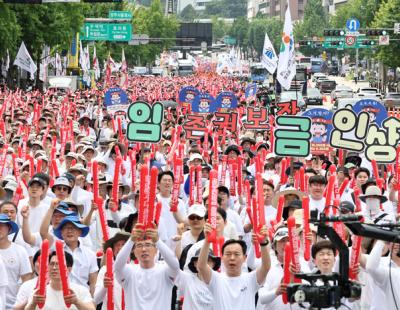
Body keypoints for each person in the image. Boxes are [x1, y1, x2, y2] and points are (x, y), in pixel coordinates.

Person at [196, 222, 271, 310]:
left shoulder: (251, 279)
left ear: (244, 258)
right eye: (228, 254)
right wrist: (207, 241)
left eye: (236, 254)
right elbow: (201, 266)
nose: (232, 258)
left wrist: (263, 243)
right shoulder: (216, 279)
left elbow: (266, 267)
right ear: (222, 257)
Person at [114, 223, 180, 309]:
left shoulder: (165, 270)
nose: (144, 249)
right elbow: (118, 265)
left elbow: (175, 266)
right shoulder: (129, 271)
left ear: (156, 250)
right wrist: (131, 240)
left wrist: (157, 241)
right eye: (139, 246)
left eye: (148, 245)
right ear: (134, 252)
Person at [25, 251, 95, 310]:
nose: (54, 268)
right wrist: (33, 303)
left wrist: (77, 302)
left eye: (59, 264)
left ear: (69, 269)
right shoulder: (38, 293)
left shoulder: (81, 290)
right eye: (52, 264)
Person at [53, 215, 98, 295]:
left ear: (80, 232)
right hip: (59, 296)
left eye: (73, 228)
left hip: (82, 296)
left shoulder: (90, 254)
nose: (69, 231)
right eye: (66, 228)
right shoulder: (54, 253)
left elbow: (93, 282)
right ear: (62, 233)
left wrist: (92, 301)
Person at [0, 214, 32, 309]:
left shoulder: (20, 251)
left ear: (9, 228)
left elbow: (27, 279)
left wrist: (22, 303)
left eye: (2, 225)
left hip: (13, 305)